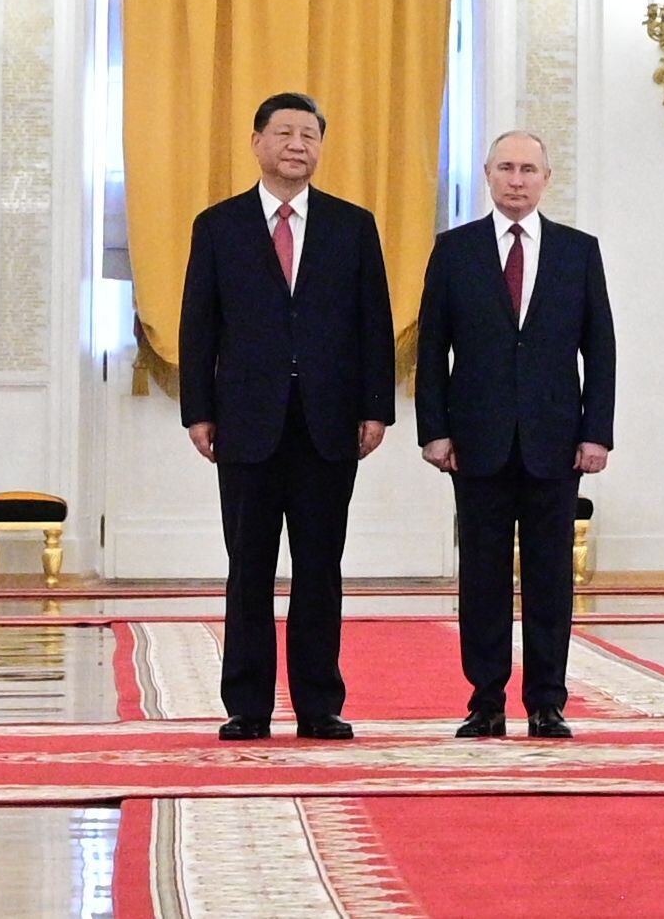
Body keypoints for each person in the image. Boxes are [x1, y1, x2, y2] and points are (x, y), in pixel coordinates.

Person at [178, 91, 396, 741]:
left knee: (319, 568)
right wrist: (198, 409)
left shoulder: (351, 226)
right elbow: (198, 326)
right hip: (245, 422)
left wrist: (375, 408)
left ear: (320, 148)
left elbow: (373, 325)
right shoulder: (217, 226)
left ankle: (318, 705)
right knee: (248, 567)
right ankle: (246, 706)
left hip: (328, 424)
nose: (296, 145)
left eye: (308, 135)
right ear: (257, 143)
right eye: (284, 133)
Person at [416, 129, 613, 739]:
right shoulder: (454, 251)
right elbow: (431, 349)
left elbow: (599, 348)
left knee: (551, 577)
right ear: (488, 175)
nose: (517, 179)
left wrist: (597, 432)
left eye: (529, 169)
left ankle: (548, 701)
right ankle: (486, 699)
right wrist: (434, 430)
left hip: (556, 442)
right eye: (506, 168)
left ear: (546, 179)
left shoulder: (579, 252)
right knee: (482, 574)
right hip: (476, 441)